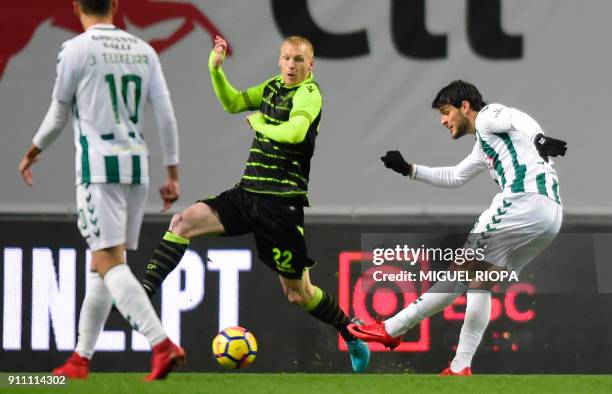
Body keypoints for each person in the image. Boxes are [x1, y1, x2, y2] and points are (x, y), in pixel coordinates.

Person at [140, 35, 370, 372]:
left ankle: (350, 332)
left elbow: (293, 133)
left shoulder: (309, 94)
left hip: (281, 206)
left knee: (298, 294)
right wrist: (215, 70)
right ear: (279, 61)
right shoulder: (273, 86)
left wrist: (261, 123)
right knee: (182, 223)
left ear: (311, 65)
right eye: (287, 59)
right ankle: (144, 291)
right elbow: (232, 103)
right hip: (247, 194)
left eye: (299, 60)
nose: (292, 66)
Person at [348, 80, 567, 375]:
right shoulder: (486, 143)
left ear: (465, 106)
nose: (443, 120)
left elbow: (515, 116)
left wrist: (539, 137)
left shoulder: (488, 116)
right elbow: (455, 176)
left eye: (446, 111)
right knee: (480, 282)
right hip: (550, 217)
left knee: (459, 273)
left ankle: (390, 328)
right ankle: (460, 366)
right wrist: (409, 169)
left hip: (523, 201)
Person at [18, 0, 184, 381]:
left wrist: (32, 152)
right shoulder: (145, 51)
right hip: (137, 169)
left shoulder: (74, 49)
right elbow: (166, 115)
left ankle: (160, 343)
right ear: (115, 5)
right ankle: (80, 358)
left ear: (76, 6)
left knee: (108, 261)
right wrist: (172, 173)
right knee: (104, 263)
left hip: (99, 169)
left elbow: (59, 113)